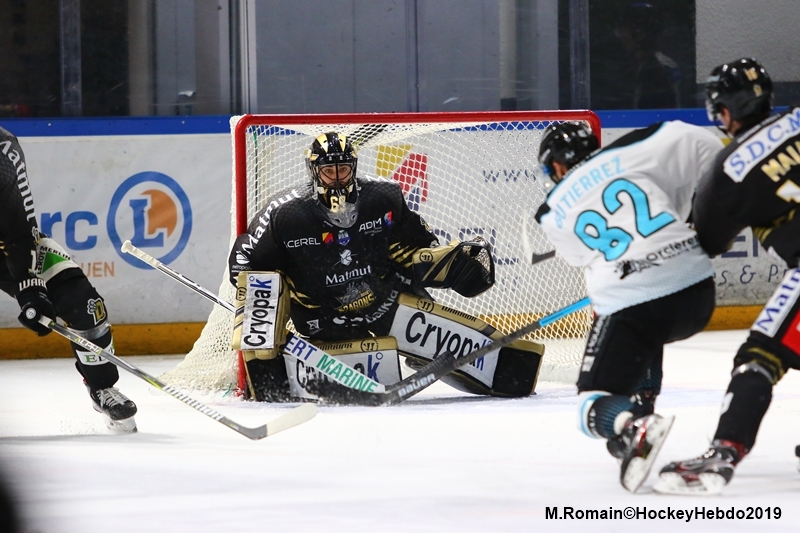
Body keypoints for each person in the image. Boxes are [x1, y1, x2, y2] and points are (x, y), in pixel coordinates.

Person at [228, 131, 544, 402]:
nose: (337, 177)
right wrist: (258, 314)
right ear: (314, 170)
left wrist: (447, 263)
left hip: (385, 304)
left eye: (343, 169)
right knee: (260, 285)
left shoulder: (383, 197)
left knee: (507, 363)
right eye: (329, 171)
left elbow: (418, 244)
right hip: (321, 321)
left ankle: (504, 367)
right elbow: (243, 259)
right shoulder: (285, 214)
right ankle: (268, 377)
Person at [534, 119, 724, 492]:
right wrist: (696, 213)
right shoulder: (634, 148)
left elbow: (582, 256)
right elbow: (707, 145)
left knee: (589, 406)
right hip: (698, 290)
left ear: (556, 166)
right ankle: (641, 407)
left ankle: (631, 423)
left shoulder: (551, 211)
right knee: (644, 330)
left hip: (636, 301)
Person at [655, 57, 800, 495]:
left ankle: (723, 452)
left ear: (723, 111)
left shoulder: (729, 169)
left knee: (760, 357)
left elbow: (706, 244)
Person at [0, 126, 137, 432]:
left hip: (5, 246)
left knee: (83, 303)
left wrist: (30, 286)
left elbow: (22, 227)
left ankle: (102, 386)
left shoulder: (2, 146)